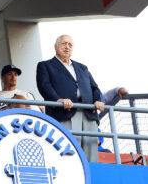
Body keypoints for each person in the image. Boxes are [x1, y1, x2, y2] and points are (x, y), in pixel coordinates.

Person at [36, 34, 104, 163]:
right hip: (64, 112)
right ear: (56, 47)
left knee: (91, 154)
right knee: (69, 151)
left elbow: (94, 87)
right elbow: (44, 86)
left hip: (88, 112)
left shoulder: (82, 67)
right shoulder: (45, 65)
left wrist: (97, 100)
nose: (67, 47)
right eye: (63, 44)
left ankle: (90, 180)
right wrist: (57, 100)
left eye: (70, 45)